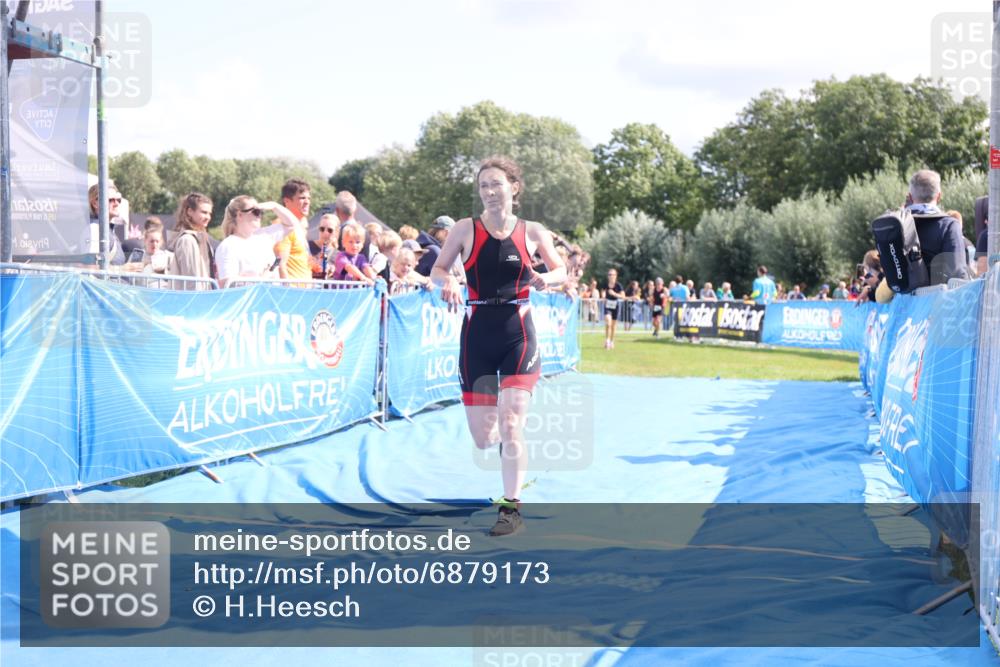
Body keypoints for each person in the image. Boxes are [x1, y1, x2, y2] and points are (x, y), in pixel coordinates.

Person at [432, 156, 565, 537]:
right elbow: (438, 270)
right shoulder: (463, 229)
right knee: (485, 437)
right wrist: (448, 282)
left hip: (518, 332)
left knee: (511, 423)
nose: (489, 192)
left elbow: (560, 270)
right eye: (483, 186)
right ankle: (511, 450)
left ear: (514, 188)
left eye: (496, 184)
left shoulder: (533, 231)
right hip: (476, 336)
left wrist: (546, 279)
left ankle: (511, 508)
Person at [215, 196, 297, 288]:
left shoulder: (264, 236)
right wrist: (261, 279)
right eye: (256, 211)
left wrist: (274, 206)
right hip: (249, 301)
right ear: (240, 215)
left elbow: (292, 225)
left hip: (270, 298)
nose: (260, 215)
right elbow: (227, 284)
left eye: (261, 211)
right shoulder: (228, 246)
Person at [905, 170, 971, 284]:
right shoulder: (949, 225)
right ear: (939, 196)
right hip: (938, 298)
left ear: (910, 197)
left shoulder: (898, 225)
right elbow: (958, 274)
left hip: (901, 299)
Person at [170, 192, 215, 290]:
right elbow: (191, 279)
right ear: (190, 211)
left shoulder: (201, 238)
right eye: (203, 212)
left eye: (209, 213)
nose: (208, 217)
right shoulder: (187, 240)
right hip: (193, 300)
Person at [273, 179, 312, 282]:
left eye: (308, 198)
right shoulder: (283, 226)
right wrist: (288, 292)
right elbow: (280, 265)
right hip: (292, 292)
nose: (307, 202)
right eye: (302, 198)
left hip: (304, 291)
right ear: (287, 201)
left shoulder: (300, 226)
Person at [80, 183, 126, 264]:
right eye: (110, 200)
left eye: (118, 200)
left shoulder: (108, 230)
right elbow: (89, 267)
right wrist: (123, 269)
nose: (116, 204)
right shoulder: (94, 229)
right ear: (95, 203)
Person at [309, 213, 339, 279]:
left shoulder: (338, 255)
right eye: (322, 229)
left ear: (336, 232)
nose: (325, 233)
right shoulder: (308, 246)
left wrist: (333, 272)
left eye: (330, 230)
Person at [603, 268, 626, 349]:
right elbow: (603, 292)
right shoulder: (605, 285)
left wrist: (615, 294)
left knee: (613, 325)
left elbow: (623, 297)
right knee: (608, 322)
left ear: (615, 276)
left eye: (612, 275)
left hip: (615, 306)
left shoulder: (618, 285)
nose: (610, 276)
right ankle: (607, 340)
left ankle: (612, 341)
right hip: (607, 306)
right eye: (609, 275)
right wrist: (603, 296)